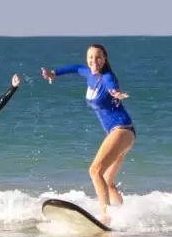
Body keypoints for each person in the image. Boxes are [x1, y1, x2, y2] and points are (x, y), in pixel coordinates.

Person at [41, 43, 134, 224]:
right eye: (91, 57)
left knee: (94, 171)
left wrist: (116, 92)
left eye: (98, 57)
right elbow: (76, 68)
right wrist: (55, 73)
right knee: (107, 180)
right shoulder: (87, 72)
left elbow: (111, 85)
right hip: (125, 134)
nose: (94, 60)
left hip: (121, 130)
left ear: (105, 59)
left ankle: (105, 216)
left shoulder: (107, 77)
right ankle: (124, 218)